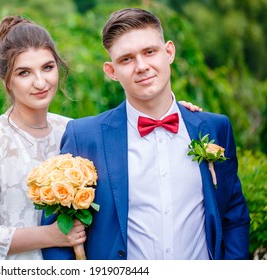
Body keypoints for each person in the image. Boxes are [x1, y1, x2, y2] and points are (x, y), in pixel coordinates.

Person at [42, 8, 250, 260]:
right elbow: (58, 233)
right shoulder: (84, 136)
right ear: (111, 71)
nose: (141, 66)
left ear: (169, 52)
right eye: (126, 59)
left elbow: (233, 215)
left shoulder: (215, 128)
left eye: (149, 52)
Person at [0, 15, 87, 260]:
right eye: (24, 72)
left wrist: (178, 111)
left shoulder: (71, 130)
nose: (40, 82)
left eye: (48, 67)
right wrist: (50, 235)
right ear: (7, 81)